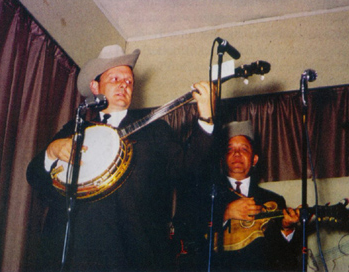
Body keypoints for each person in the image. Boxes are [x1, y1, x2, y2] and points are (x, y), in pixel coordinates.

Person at [26, 45, 215, 271]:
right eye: (114, 78)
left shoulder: (155, 131)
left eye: (128, 81)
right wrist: (52, 150)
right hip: (74, 255)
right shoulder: (75, 127)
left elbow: (189, 167)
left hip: (129, 257)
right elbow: (35, 176)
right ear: (95, 87)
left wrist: (206, 119)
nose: (123, 84)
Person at [177, 119, 302, 271]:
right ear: (222, 160)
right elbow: (187, 233)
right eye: (230, 149)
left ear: (254, 159)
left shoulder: (273, 200)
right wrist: (225, 213)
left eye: (244, 149)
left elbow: (285, 259)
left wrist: (287, 229)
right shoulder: (206, 195)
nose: (236, 154)